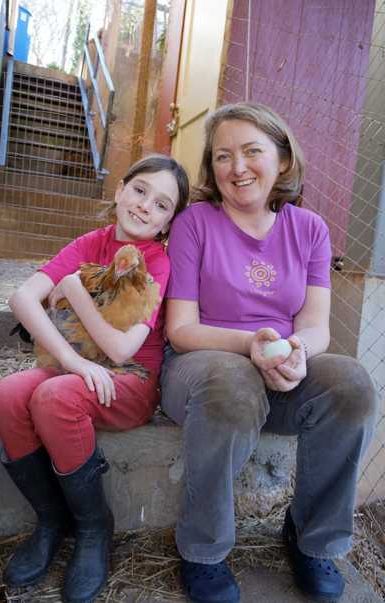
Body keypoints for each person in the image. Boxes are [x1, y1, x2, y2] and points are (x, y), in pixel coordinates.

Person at [160, 103, 378, 603]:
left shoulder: (310, 230)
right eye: (222, 156)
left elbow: (316, 326)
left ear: (282, 159)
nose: (237, 167)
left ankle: (311, 539)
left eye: (252, 151)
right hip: (203, 370)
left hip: (280, 370)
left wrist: (298, 352)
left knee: (351, 384)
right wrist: (248, 346)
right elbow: (182, 330)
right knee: (230, 383)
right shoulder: (196, 223)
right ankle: (204, 550)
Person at [0, 154, 189, 603]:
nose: (144, 207)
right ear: (119, 190)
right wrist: (71, 360)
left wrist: (74, 290)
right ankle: (51, 519)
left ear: (167, 223)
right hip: (76, 363)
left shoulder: (155, 262)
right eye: (140, 191)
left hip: (131, 379)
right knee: (5, 395)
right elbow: (24, 298)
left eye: (162, 205)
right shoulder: (88, 243)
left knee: (55, 396)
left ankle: (94, 528)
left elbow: (121, 350)